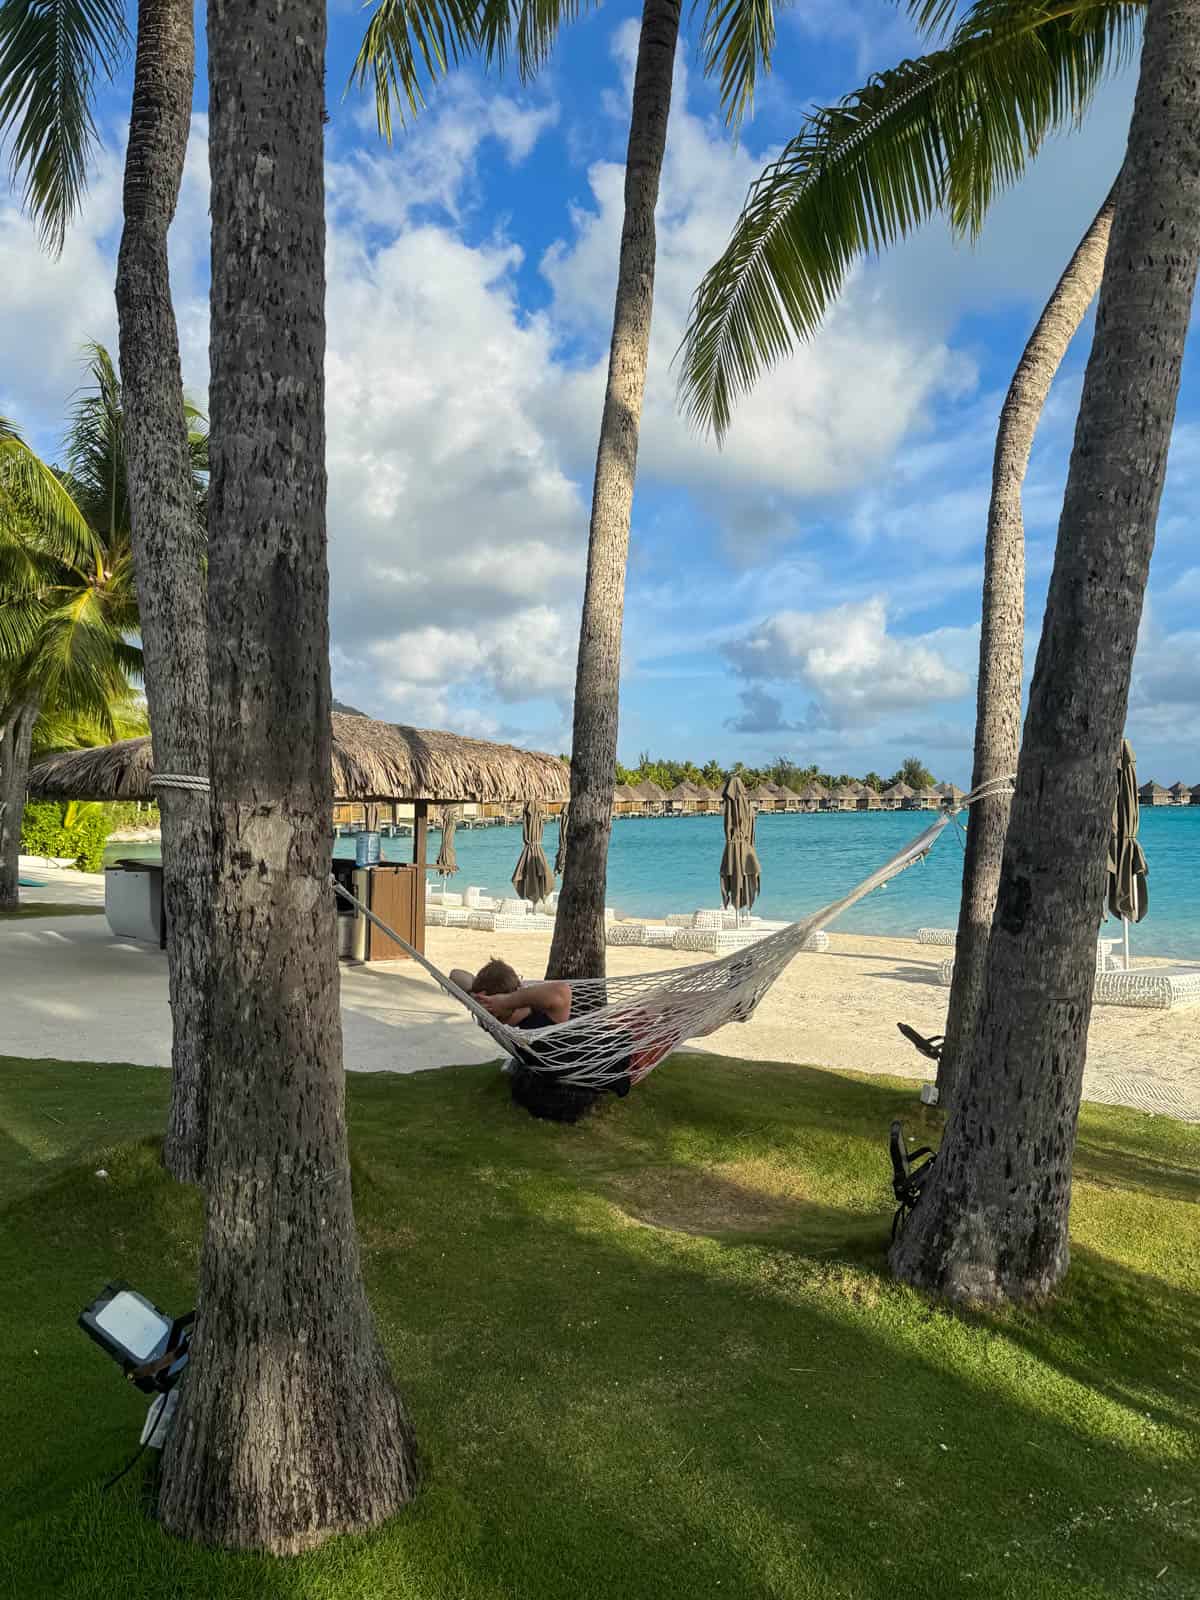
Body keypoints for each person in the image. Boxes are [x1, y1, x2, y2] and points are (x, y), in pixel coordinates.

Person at [448, 958, 627, 1122]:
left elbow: (563, 991)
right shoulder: (506, 1021)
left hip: (608, 1048)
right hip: (601, 1056)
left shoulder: (533, 1016)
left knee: (636, 1019)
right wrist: (485, 999)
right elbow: (455, 975)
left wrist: (503, 1000)